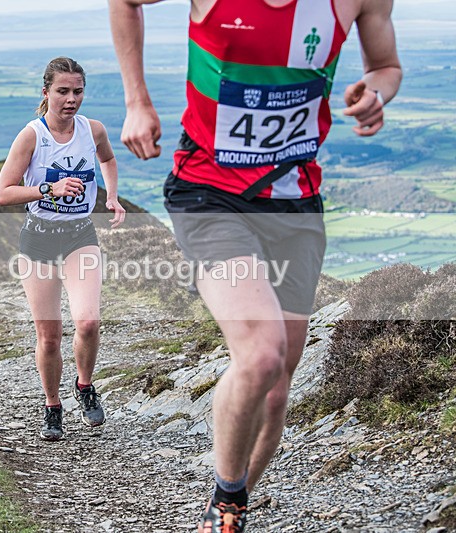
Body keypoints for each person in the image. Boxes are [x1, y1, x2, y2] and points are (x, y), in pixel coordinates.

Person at [109, 0, 401, 530]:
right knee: (262, 355)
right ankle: (226, 502)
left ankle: (233, 501)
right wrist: (137, 100)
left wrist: (376, 92)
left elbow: (386, 65)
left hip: (295, 204)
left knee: (278, 385)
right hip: (209, 194)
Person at [0, 56, 126, 441]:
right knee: (49, 337)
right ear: (46, 92)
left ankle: (84, 386)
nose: (71, 99)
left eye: (78, 91)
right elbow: (3, 193)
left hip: (79, 235)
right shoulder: (32, 136)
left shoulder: (93, 129)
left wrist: (113, 196)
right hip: (38, 238)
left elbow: (108, 159)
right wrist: (48, 189)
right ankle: (53, 407)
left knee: (87, 321)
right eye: (63, 91)